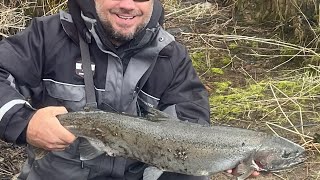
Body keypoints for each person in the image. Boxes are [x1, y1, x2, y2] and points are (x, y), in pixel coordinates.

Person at [0, 0, 259, 179]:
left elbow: (191, 123)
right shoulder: (47, 37)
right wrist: (25, 122)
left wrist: (220, 156)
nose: (127, 4)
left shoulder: (172, 56)